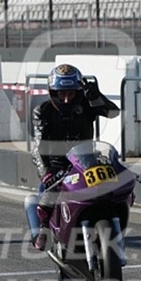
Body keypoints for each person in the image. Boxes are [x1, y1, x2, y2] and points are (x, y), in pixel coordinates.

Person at [24, 63, 119, 251]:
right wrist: (46, 172)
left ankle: (110, 222)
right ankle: (43, 230)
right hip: (57, 167)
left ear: (79, 92)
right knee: (45, 198)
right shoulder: (42, 111)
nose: (67, 99)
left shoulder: (87, 105)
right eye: (62, 94)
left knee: (114, 189)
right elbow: (38, 145)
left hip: (86, 162)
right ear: (53, 93)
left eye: (71, 93)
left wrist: (97, 97)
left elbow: (113, 113)